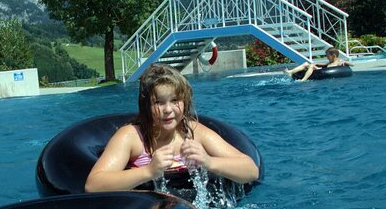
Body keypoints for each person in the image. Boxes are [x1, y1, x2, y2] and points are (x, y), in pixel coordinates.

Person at [85, 63, 259, 192]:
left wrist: (208, 161)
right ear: (146, 106)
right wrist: (148, 171)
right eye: (158, 102)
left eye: (175, 101)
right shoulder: (132, 137)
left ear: (185, 102)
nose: (167, 110)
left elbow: (250, 170)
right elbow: (94, 185)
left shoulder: (193, 132)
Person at [284, 47, 349, 82]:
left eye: (328, 56)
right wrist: (316, 64)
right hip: (322, 70)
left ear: (334, 56)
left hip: (323, 72)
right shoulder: (330, 62)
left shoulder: (339, 62)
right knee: (306, 64)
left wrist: (345, 62)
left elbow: (352, 64)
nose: (327, 57)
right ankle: (290, 72)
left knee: (311, 66)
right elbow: (324, 65)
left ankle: (303, 80)